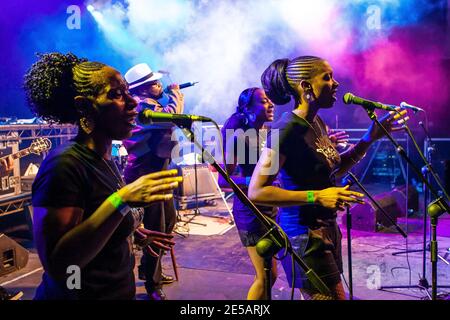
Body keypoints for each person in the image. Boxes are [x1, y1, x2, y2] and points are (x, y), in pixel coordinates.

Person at [23, 52, 182, 300]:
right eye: (117, 94)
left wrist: (131, 230)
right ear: (84, 106)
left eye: (129, 92)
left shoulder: (104, 160)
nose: (132, 103)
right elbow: (60, 265)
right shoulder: (64, 165)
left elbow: (91, 220)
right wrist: (121, 200)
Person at [248, 56, 407, 300]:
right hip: (305, 236)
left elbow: (334, 169)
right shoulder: (286, 129)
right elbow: (257, 191)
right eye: (327, 77)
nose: (335, 83)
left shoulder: (316, 122)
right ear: (306, 86)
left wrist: (370, 138)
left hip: (327, 231)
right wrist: (318, 196)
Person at [123, 63, 184, 300]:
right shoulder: (142, 105)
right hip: (145, 175)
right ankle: (152, 284)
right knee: (157, 227)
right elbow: (174, 118)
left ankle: (149, 269)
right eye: (156, 83)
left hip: (158, 172)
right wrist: (177, 94)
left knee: (168, 222)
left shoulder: (153, 102)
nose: (160, 85)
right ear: (145, 88)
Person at [219, 87, 277, 300]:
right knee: (264, 277)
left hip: (268, 208)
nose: (271, 104)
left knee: (271, 275)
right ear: (248, 108)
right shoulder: (240, 138)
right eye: (264, 101)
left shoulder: (267, 134)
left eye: (270, 100)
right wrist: (255, 182)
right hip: (250, 211)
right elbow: (223, 180)